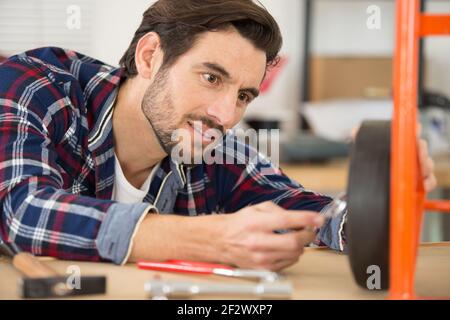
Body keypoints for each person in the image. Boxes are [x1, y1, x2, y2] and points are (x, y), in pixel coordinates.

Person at [0, 0, 436, 271]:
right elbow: (21, 213)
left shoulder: (215, 151)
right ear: (150, 56)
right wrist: (208, 240)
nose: (225, 115)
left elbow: (316, 214)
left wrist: (388, 188)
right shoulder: (36, 85)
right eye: (211, 77)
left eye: (244, 95)